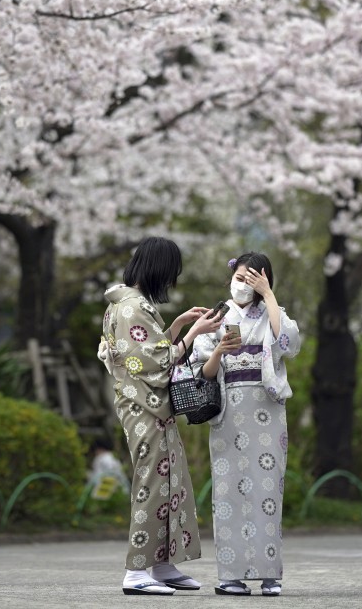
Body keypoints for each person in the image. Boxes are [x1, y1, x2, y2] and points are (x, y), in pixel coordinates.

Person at [98, 236, 224, 595]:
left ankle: (163, 566)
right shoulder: (131, 308)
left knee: (170, 481)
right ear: (158, 269)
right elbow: (154, 362)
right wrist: (195, 332)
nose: (170, 282)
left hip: (150, 407)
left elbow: (150, 352)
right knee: (153, 482)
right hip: (143, 408)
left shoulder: (129, 304)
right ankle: (136, 572)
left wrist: (181, 323)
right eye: (170, 274)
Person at [191, 252, 301, 597]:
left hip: (266, 410)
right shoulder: (218, 316)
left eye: (251, 278)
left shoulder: (273, 313)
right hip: (228, 414)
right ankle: (231, 575)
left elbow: (290, 344)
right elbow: (202, 374)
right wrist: (219, 352)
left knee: (268, 490)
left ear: (264, 279)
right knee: (228, 493)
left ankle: (270, 575)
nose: (242, 284)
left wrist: (268, 296)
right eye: (239, 276)